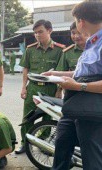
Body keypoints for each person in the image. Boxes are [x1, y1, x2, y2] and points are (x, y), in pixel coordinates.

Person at [43, 2, 102, 169]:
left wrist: (78, 86)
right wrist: (55, 75)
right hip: (74, 107)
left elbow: (81, 82)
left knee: (92, 157)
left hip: (92, 111)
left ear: (81, 21)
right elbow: (81, 75)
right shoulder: (92, 43)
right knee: (61, 145)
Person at [16, 19, 65, 154]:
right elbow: (26, 69)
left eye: (40, 32)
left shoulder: (60, 50)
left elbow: (61, 72)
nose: (37, 35)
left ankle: (43, 144)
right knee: (27, 118)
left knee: (48, 117)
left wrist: (59, 90)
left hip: (50, 88)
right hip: (32, 87)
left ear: (49, 31)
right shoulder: (30, 49)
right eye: (35, 33)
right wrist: (23, 87)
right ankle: (25, 144)